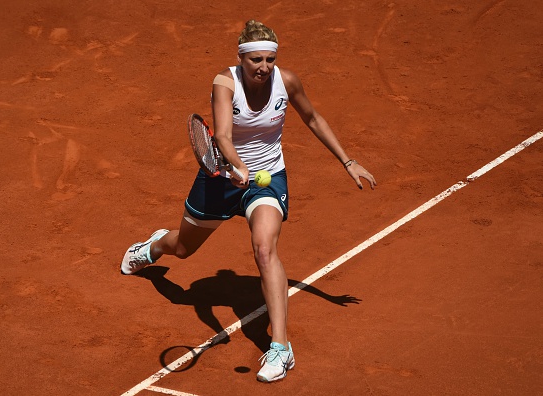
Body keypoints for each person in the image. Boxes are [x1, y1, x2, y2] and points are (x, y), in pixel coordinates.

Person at [121, 20, 377, 383]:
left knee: (264, 250)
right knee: (182, 248)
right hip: (221, 180)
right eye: (256, 59)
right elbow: (223, 136)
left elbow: (313, 118)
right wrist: (238, 168)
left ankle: (280, 347)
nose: (264, 67)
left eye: (270, 59)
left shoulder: (286, 82)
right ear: (241, 58)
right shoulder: (225, 83)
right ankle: (153, 246)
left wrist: (347, 161)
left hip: (267, 181)